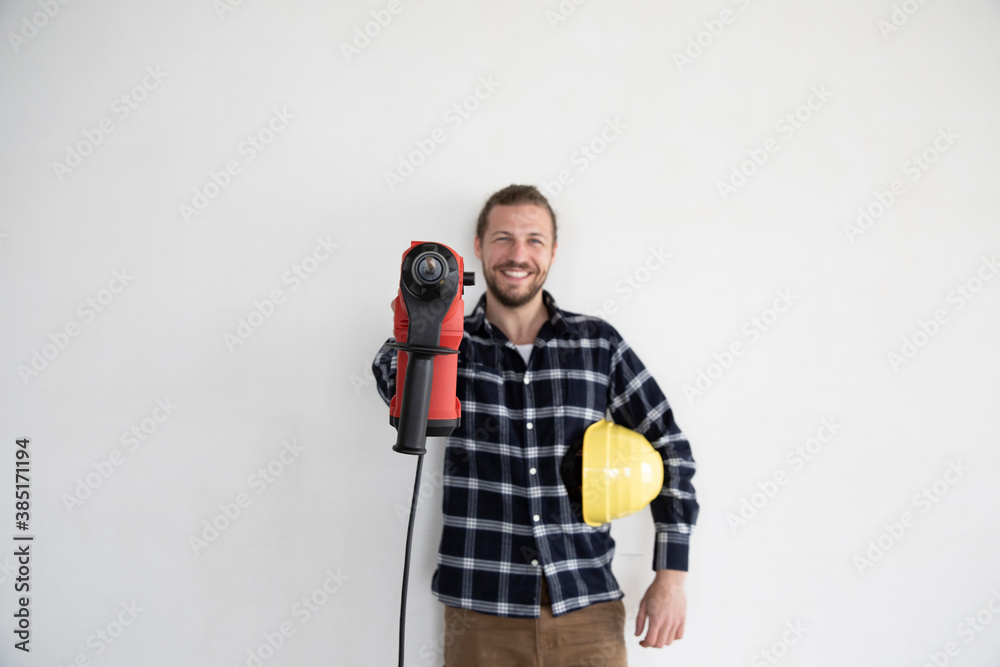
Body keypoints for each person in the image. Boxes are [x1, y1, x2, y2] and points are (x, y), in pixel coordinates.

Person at [372, 184, 698, 666]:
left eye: (534, 239)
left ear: (553, 251)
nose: (517, 254)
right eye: (503, 238)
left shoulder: (597, 344)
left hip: (587, 611)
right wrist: (426, 314)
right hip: (480, 614)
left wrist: (671, 575)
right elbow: (392, 380)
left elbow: (670, 446)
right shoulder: (452, 345)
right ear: (479, 247)